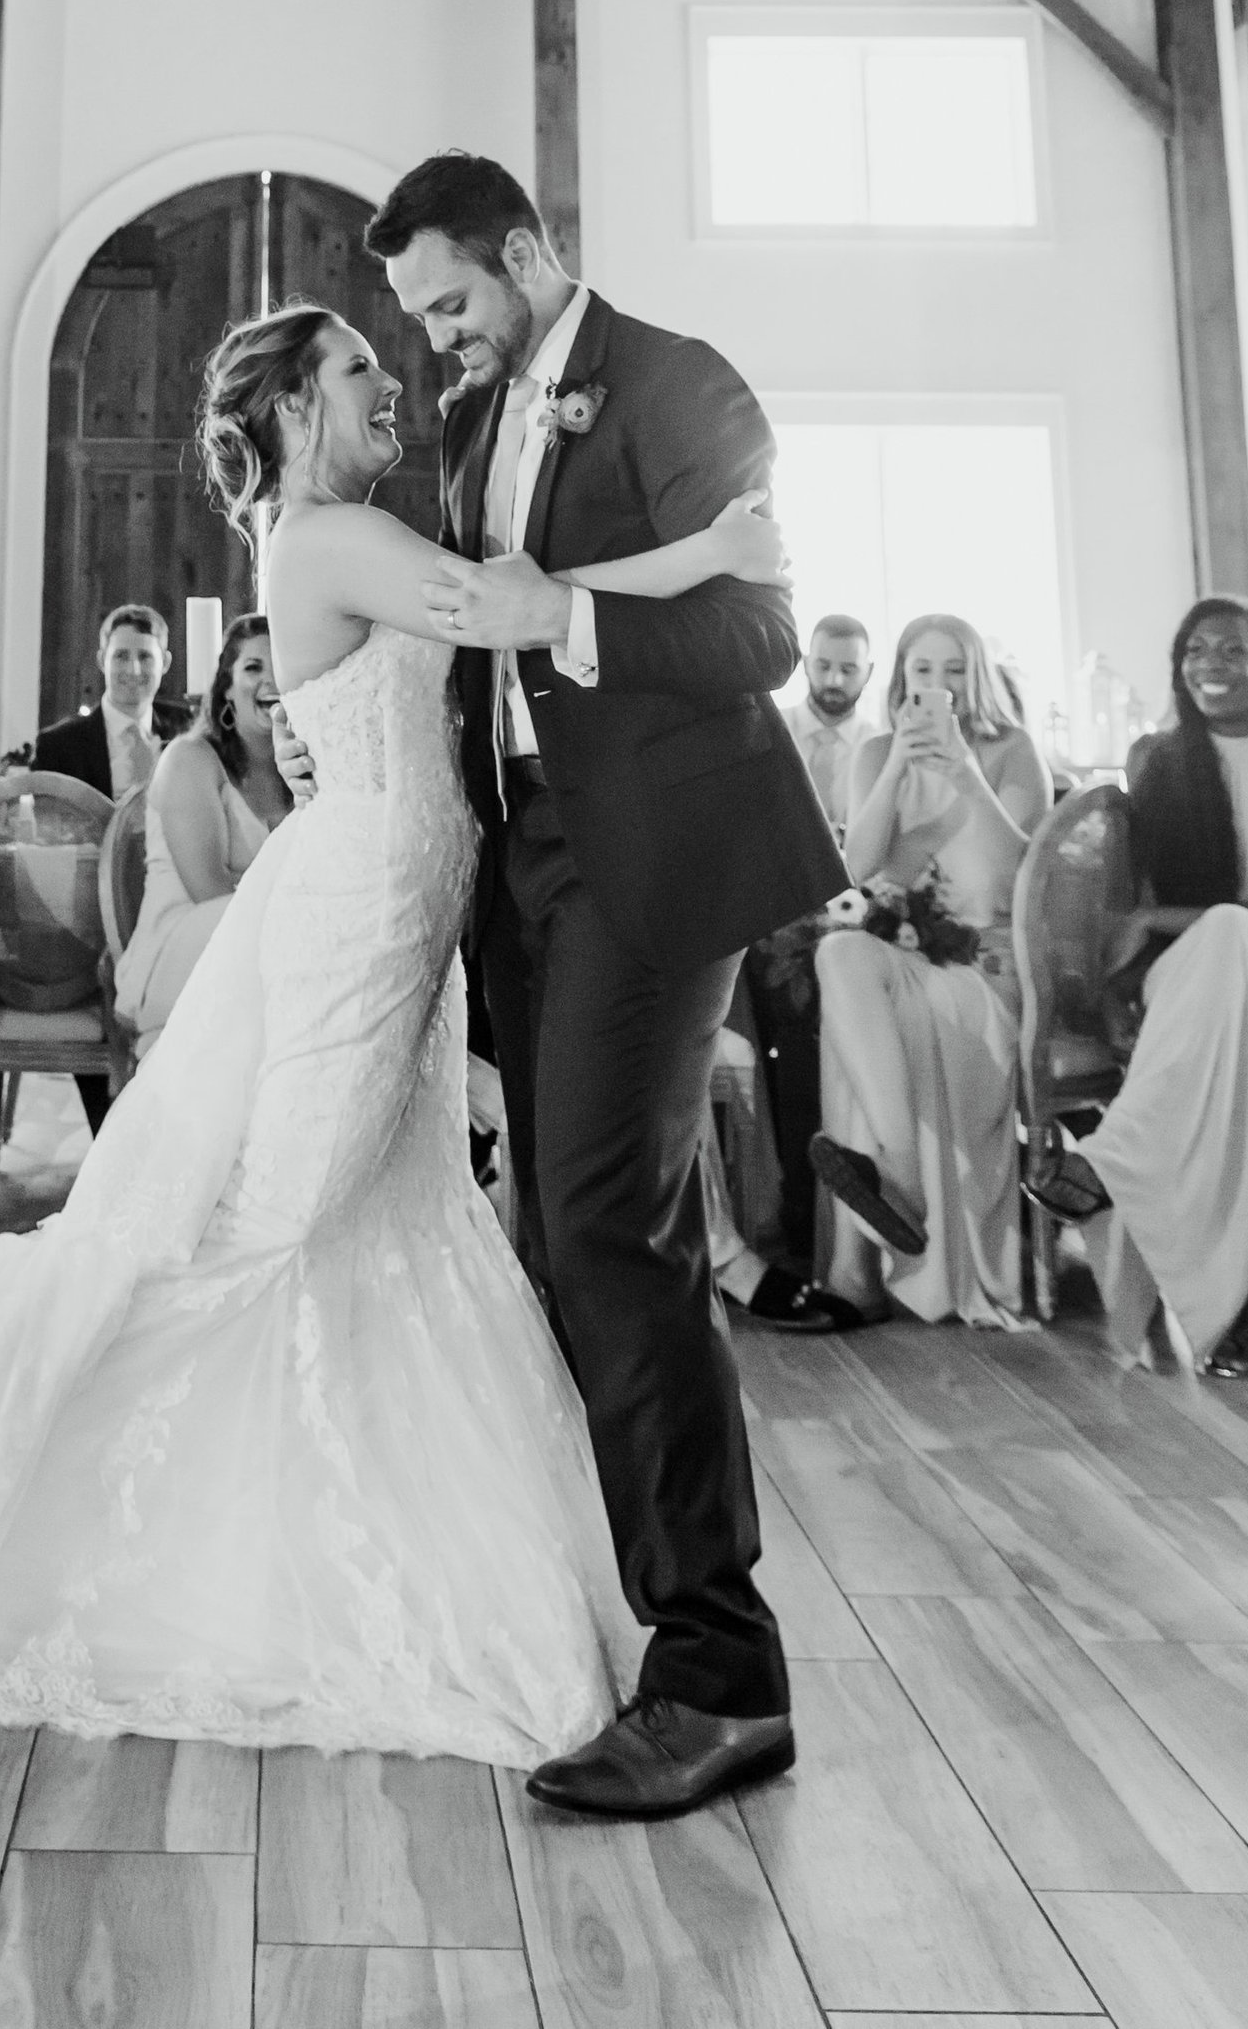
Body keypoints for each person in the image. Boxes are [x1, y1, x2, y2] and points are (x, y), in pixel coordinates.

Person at [0, 292, 786, 1783]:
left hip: (409, 906)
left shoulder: (346, 530)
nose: (390, 389)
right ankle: (35, 1508)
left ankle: (384, 1540)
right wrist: (715, 554)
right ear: (291, 407)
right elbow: (507, 605)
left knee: (389, 1228)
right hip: (359, 907)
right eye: (360, 370)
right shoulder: (325, 533)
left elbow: (478, 635)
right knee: (286, 1225)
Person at [376, 149, 845, 1816]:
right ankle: (626, 1603)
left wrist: (558, 611)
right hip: (523, 869)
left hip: (656, 862)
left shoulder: (675, 381)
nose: (439, 336)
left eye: (453, 300)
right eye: (418, 317)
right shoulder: (464, 420)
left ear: (525, 252)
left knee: (609, 1225)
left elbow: (760, 636)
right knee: (548, 1236)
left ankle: (721, 1673)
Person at [1029, 595, 1248, 1375]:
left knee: (1231, 932)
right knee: (1233, 1079)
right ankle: (1236, 1323)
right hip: (1192, 983)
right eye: (1196, 651)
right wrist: (1130, 970)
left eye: (1233, 651)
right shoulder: (1157, 758)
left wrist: (1161, 920)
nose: (1211, 665)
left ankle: (1108, 1161)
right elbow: (1121, 885)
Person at [809, 613, 1050, 1326]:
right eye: (923, 671)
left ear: (974, 677)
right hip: (902, 959)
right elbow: (857, 868)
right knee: (839, 952)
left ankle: (858, 1268)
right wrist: (893, 769)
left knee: (855, 1028)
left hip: (986, 970)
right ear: (902, 678)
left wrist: (968, 779)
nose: (937, 685)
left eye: (953, 671)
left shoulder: (1012, 751)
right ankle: (901, 1174)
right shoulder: (877, 750)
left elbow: (1021, 880)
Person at [112, 611, 294, 1042]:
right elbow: (208, 890)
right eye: (253, 668)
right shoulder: (189, 758)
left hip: (264, 950)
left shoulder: (302, 771)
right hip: (181, 949)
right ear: (226, 688)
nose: (271, 681)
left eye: (282, 667)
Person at [21, 605, 189, 802]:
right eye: (121, 656)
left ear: (165, 662)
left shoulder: (189, 729)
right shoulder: (58, 746)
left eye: (145, 657)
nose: (133, 670)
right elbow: (49, 825)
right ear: (102, 661)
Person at [781, 614, 872, 837]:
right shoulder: (769, 730)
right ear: (805, 665)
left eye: (848, 670)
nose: (834, 680)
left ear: (869, 672)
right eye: (823, 666)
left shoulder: (878, 747)